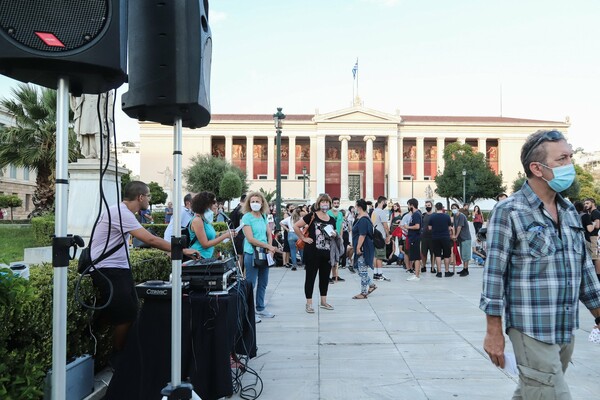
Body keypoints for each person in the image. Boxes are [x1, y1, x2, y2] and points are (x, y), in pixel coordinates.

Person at [481, 130, 600, 399]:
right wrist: (493, 332)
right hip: (531, 329)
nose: (570, 165)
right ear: (537, 168)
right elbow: (493, 275)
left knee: (532, 392)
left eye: (570, 157)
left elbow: (583, 270)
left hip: (564, 327)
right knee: (553, 394)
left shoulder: (569, 210)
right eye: (562, 159)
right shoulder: (509, 211)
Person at [89, 181, 199, 352]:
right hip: (108, 269)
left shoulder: (121, 211)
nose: (149, 199)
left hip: (117, 268)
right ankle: (119, 357)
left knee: (130, 310)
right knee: (126, 314)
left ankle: (109, 345)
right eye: (148, 196)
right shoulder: (121, 213)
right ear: (140, 197)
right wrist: (182, 249)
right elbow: (150, 239)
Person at [294, 193, 337, 313]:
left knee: (324, 278)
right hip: (312, 252)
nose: (325, 204)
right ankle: (309, 303)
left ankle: (323, 301)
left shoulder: (331, 219)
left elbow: (334, 233)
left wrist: (334, 234)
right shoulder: (311, 216)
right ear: (318, 204)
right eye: (323, 202)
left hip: (326, 253)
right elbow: (296, 226)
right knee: (310, 278)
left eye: (327, 202)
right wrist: (303, 238)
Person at [242, 191, 279, 322]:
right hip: (252, 253)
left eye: (257, 201)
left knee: (263, 282)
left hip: (264, 253)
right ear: (248, 203)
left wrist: (270, 248)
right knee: (251, 283)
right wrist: (268, 247)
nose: (255, 204)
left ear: (262, 203)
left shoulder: (263, 216)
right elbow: (250, 238)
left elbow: (269, 233)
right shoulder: (246, 217)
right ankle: (249, 311)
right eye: (252, 201)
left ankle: (260, 307)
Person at [188, 192, 235, 259]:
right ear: (205, 204)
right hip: (199, 258)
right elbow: (205, 244)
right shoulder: (197, 220)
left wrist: (225, 233)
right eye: (214, 202)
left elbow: (211, 237)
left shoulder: (205, 220)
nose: (216, 205)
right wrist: (225, 236)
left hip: (206, 257)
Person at [351, 199, 377, 299]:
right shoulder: (363, 218)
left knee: (362, 269)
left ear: (359, 207)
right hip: (363, 246)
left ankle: (363, 293)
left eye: (355, 206)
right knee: (358, 268)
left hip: (363, 247)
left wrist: (358, 247)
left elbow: (362, 235)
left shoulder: (363, 220)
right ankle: (371, 284)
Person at [428, 202, 453, 277]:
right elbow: (449, 227)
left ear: (435, 208)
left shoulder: (432, 217)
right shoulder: (447, 216)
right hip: (445, 237)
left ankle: (439, 272)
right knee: (446, 255)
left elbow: (429, 228)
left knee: (437, 255)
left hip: (435, 237)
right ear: (442, 208)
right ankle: (447, 271)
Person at [371, 196, 391, 282]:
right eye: (385, 202)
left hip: (374, 235)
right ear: (383, 202)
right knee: (380, 256)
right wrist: (388, 236)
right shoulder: (381, 212)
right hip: (380, 236)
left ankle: (376, 274)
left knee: (375, 256)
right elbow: (385, 226)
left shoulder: (374, 212)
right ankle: (380, 275)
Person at [403, 198, 422, 282]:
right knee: (414, 257)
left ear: (412, 205)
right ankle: (416, 274)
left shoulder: (416, 214)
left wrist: (408, 227)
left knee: (416, 257)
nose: (408, 207)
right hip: (413, 237)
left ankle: (417, 275)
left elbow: (417, 226)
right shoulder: (416, 214)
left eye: (408, 205)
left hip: (415, 238)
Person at [327, 197, 345, 282]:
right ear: (332, 204)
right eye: (335, 203)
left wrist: (341, 236)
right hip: (330, 236)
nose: (336, 205)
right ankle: (328, 276)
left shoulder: (340, 214)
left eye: (338, 203)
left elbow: (341, 226)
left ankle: (335, 275)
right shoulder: (328, 213)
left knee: (337, 255)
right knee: (330, 256)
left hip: (337, 237)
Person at [451, 203, 471, 276]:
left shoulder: (461, 216)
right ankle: (464, 268)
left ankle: (466, 270)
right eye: (452, 208)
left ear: (458, 208)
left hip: (466, 238)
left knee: (466, 254)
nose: (454, 209)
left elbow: (459, 227)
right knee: (463, 254)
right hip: (461, 238)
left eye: (455, 208)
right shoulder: (455, 216)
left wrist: (455, 236)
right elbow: (454, 227)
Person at [229, 194, 247, 272]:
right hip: (240, 235)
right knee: (240, 255)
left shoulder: (235, 209)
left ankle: (238, 273)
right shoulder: (241, 211)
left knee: (239, 255)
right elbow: (241, 224)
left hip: (235, 234)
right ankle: (240, 273)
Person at [584, 197, 600, 280]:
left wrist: (591, 224)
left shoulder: (595, 212)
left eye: (587, 203)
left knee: (596, 257)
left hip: (593, 237)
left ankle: (598, 277)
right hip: (592, 237)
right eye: (585, 204)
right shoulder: (592, 213)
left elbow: (597, 225)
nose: (585, 205)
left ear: (592, 203)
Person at [420, 200, 435, 273]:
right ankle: (423, 266)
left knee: (433, 253)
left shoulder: (434, 215)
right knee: (423, 253)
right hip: (424, 237)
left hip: (432, 237)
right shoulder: (423, 215)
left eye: (428, 205)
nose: (427, 207)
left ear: (431, 206)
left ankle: (433, 267)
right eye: (426, 206)